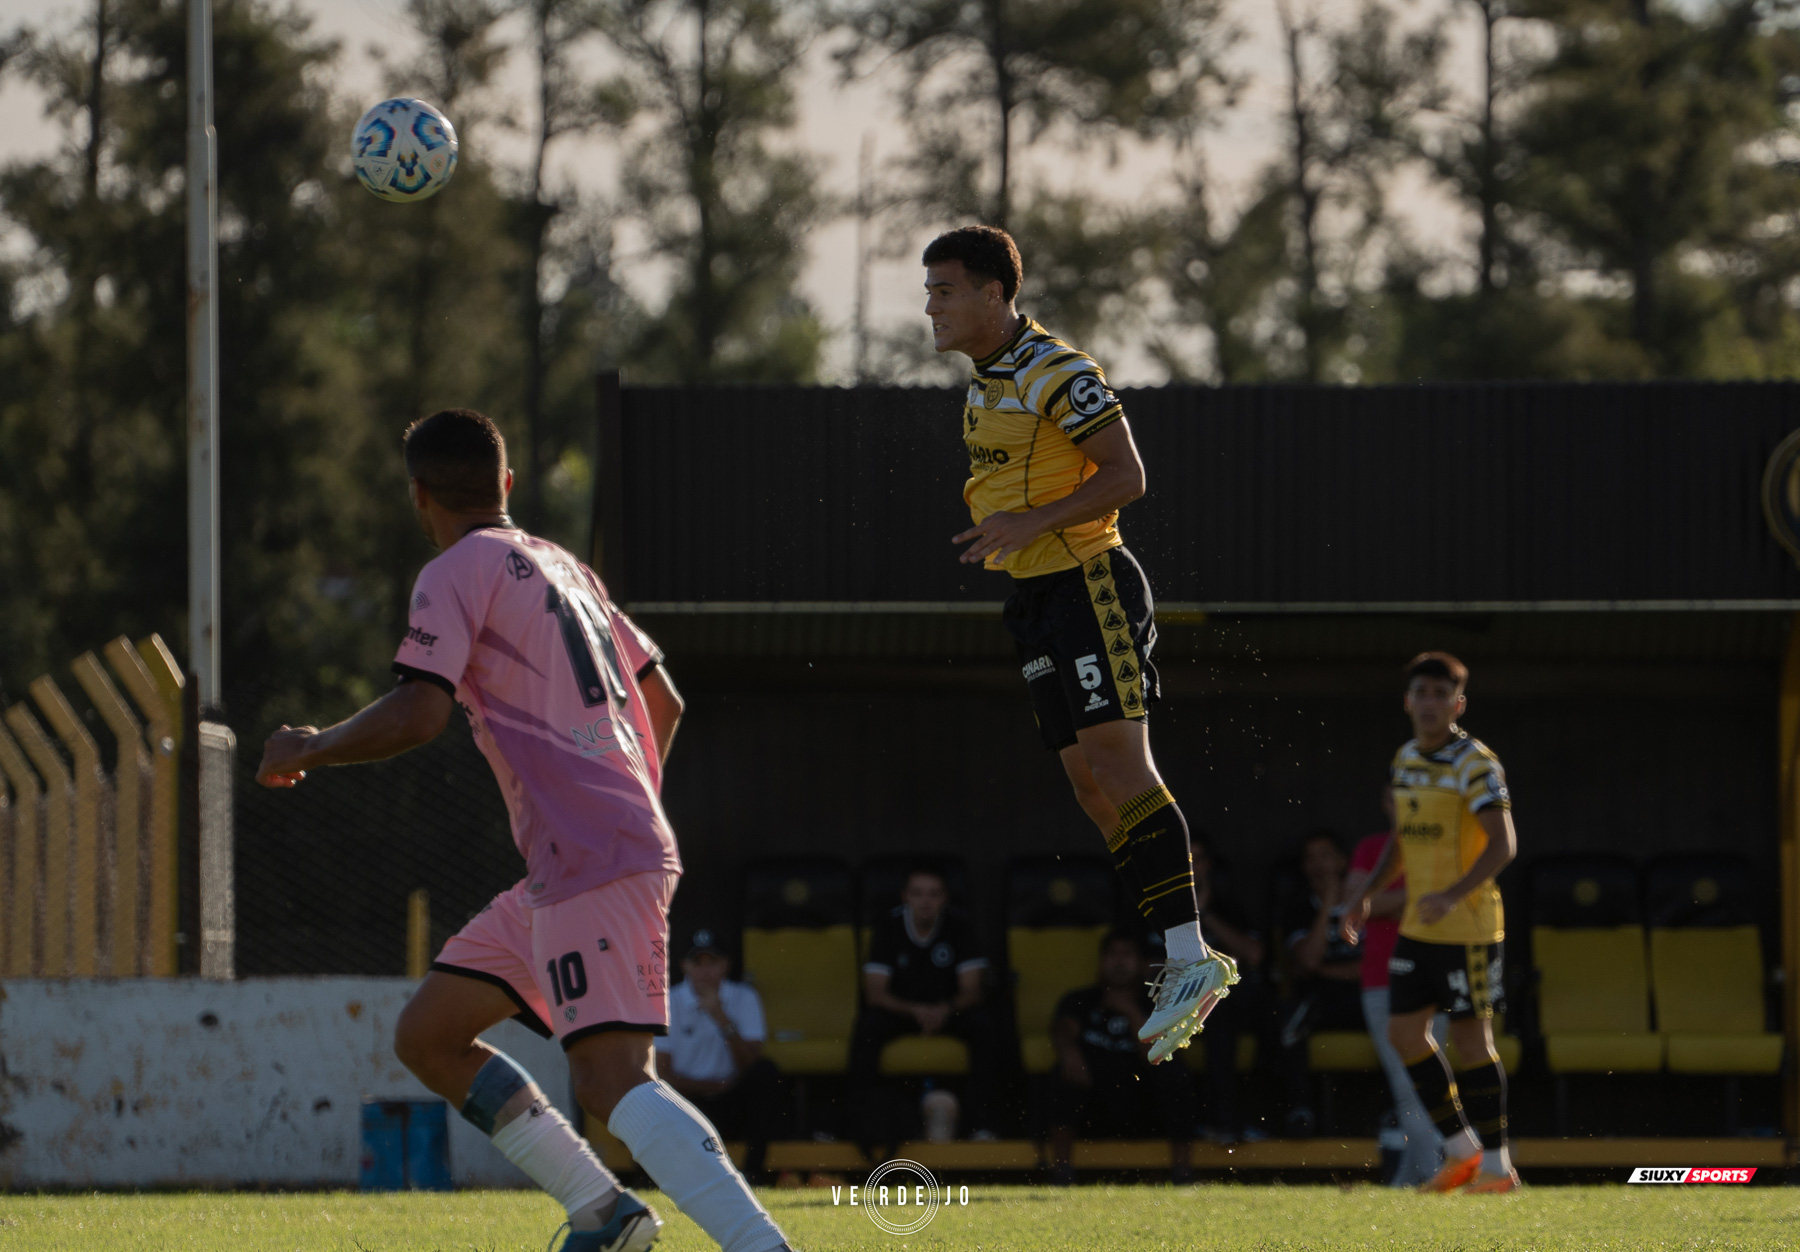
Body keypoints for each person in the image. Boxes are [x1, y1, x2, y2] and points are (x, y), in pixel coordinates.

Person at [254, 409, 796, 1252]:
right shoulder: (566, 567)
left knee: (611, 1080)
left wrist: (312, 747)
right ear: (506, 484)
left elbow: (420, 710)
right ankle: (603, 1213)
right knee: (431, 1035)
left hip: (591, 857)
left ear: (418, 495)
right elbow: (664, 699)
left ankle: (763, 1247)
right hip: (576, 861)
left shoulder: (453, 570)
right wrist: (622, 801)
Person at [923, 224, 1236, 1064]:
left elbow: (1128, 476)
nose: (932, 308)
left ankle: (1190, 957)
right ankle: (1179, 953)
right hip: (1035, 600)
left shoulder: (1057, 369)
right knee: (1091, 788)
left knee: (1118, 765)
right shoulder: (987, 378)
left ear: (994, 293)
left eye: (945, 290)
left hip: (1089, 582)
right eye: (929, 293)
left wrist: (1031, 521)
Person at [1342, 651, 1520, 1195]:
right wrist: (1366, 896)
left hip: (1469, 928)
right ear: (1407, 701)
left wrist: (1452, 894)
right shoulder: (1405, 760)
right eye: (1422, 693)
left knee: (1471, 1041)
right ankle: (1461, 1150)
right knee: (1403, 1034)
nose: (1430, 703)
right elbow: (1401, 840)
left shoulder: (1475, 762)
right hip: (1419, 930)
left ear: (1458, 705)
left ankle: (1498, 1167)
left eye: (1442, 695)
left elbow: (1504, 844)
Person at [848, 867, 998, 1149]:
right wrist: (915, 1010)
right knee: (867, 1026)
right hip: (903, 1012)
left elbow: (973, 991)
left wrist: (945, 1009)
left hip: (949, 1012)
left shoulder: (960, 927)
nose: (925, 901)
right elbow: (875, 993)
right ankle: (860, 1126)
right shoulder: (888, 927)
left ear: (944, 898)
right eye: (917, 894)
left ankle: (982, 1125)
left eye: (933, 894)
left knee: (986, 1025)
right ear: (905, 896)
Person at [1045, 930, 1198, 1184]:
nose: (1119, 961)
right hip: (1094, 1099)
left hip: (1142, 1102)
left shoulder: (1160, 1004)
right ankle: (1061, 1170)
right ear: (1100, 961)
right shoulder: (1080, 999)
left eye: (1127, 954)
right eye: (1112, 954)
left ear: (1142, 963)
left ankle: (1183, 1171)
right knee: (1062, 1075)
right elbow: (1062, 1030)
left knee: (1175, 1075)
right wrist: (1069, 1052)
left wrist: (1129, 1010)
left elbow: (1155, 1053)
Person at [1348, 807, 1445, 1187]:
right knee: (1409, 1087)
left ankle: (1411, 1182)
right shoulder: (1371, 848)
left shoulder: (1441, 844)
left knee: (1424, 1086)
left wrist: (1383, 901)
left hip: (1434, 977)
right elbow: (1355, 905)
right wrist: (1415, 898)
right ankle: (1434, 1178)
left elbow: (1452, 904)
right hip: (1381, 981)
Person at [656, 928, 783, 1182]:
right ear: (683, 966)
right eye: (697, 962)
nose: (705, 971)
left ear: (725, 965)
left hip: (731, 1103)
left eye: (712, 962)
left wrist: (721, 1018)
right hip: (689, 1103)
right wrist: (712, 1086)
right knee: (653, 1094)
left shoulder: (744, 997)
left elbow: (751, 1063)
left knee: (766, 1072)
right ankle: (656, 1177)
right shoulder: (667, 1002)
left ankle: (754, 1172)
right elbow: (662, 1074)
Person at [1277, 831, 1366, 1137]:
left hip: (1365, 997)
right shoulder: (1298, 908)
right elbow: (1308, 960)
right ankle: (1300, 1110)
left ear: (1342, 861)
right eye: (1310, 858)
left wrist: (1324, 970)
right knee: (1291, 1019)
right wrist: (1328, 904)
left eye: (1325, 856)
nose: (1318, 865)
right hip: (1319, 1001)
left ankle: (1395, 1112)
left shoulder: (1367, 904)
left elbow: (1374, 968)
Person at [1190, 833, 1266, 1144]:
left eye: (1197, 860)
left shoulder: (1227, 907)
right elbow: (1137, 965)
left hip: (1223, 1006)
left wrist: (1205, 915)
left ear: (1208, 865)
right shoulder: (1153, 908)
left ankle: (1260, 1117)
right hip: (1171, 1003)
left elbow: (1254, 955)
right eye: (1182, 861)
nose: (1190, 868)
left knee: (1268, 1010)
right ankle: (1216, 1120)